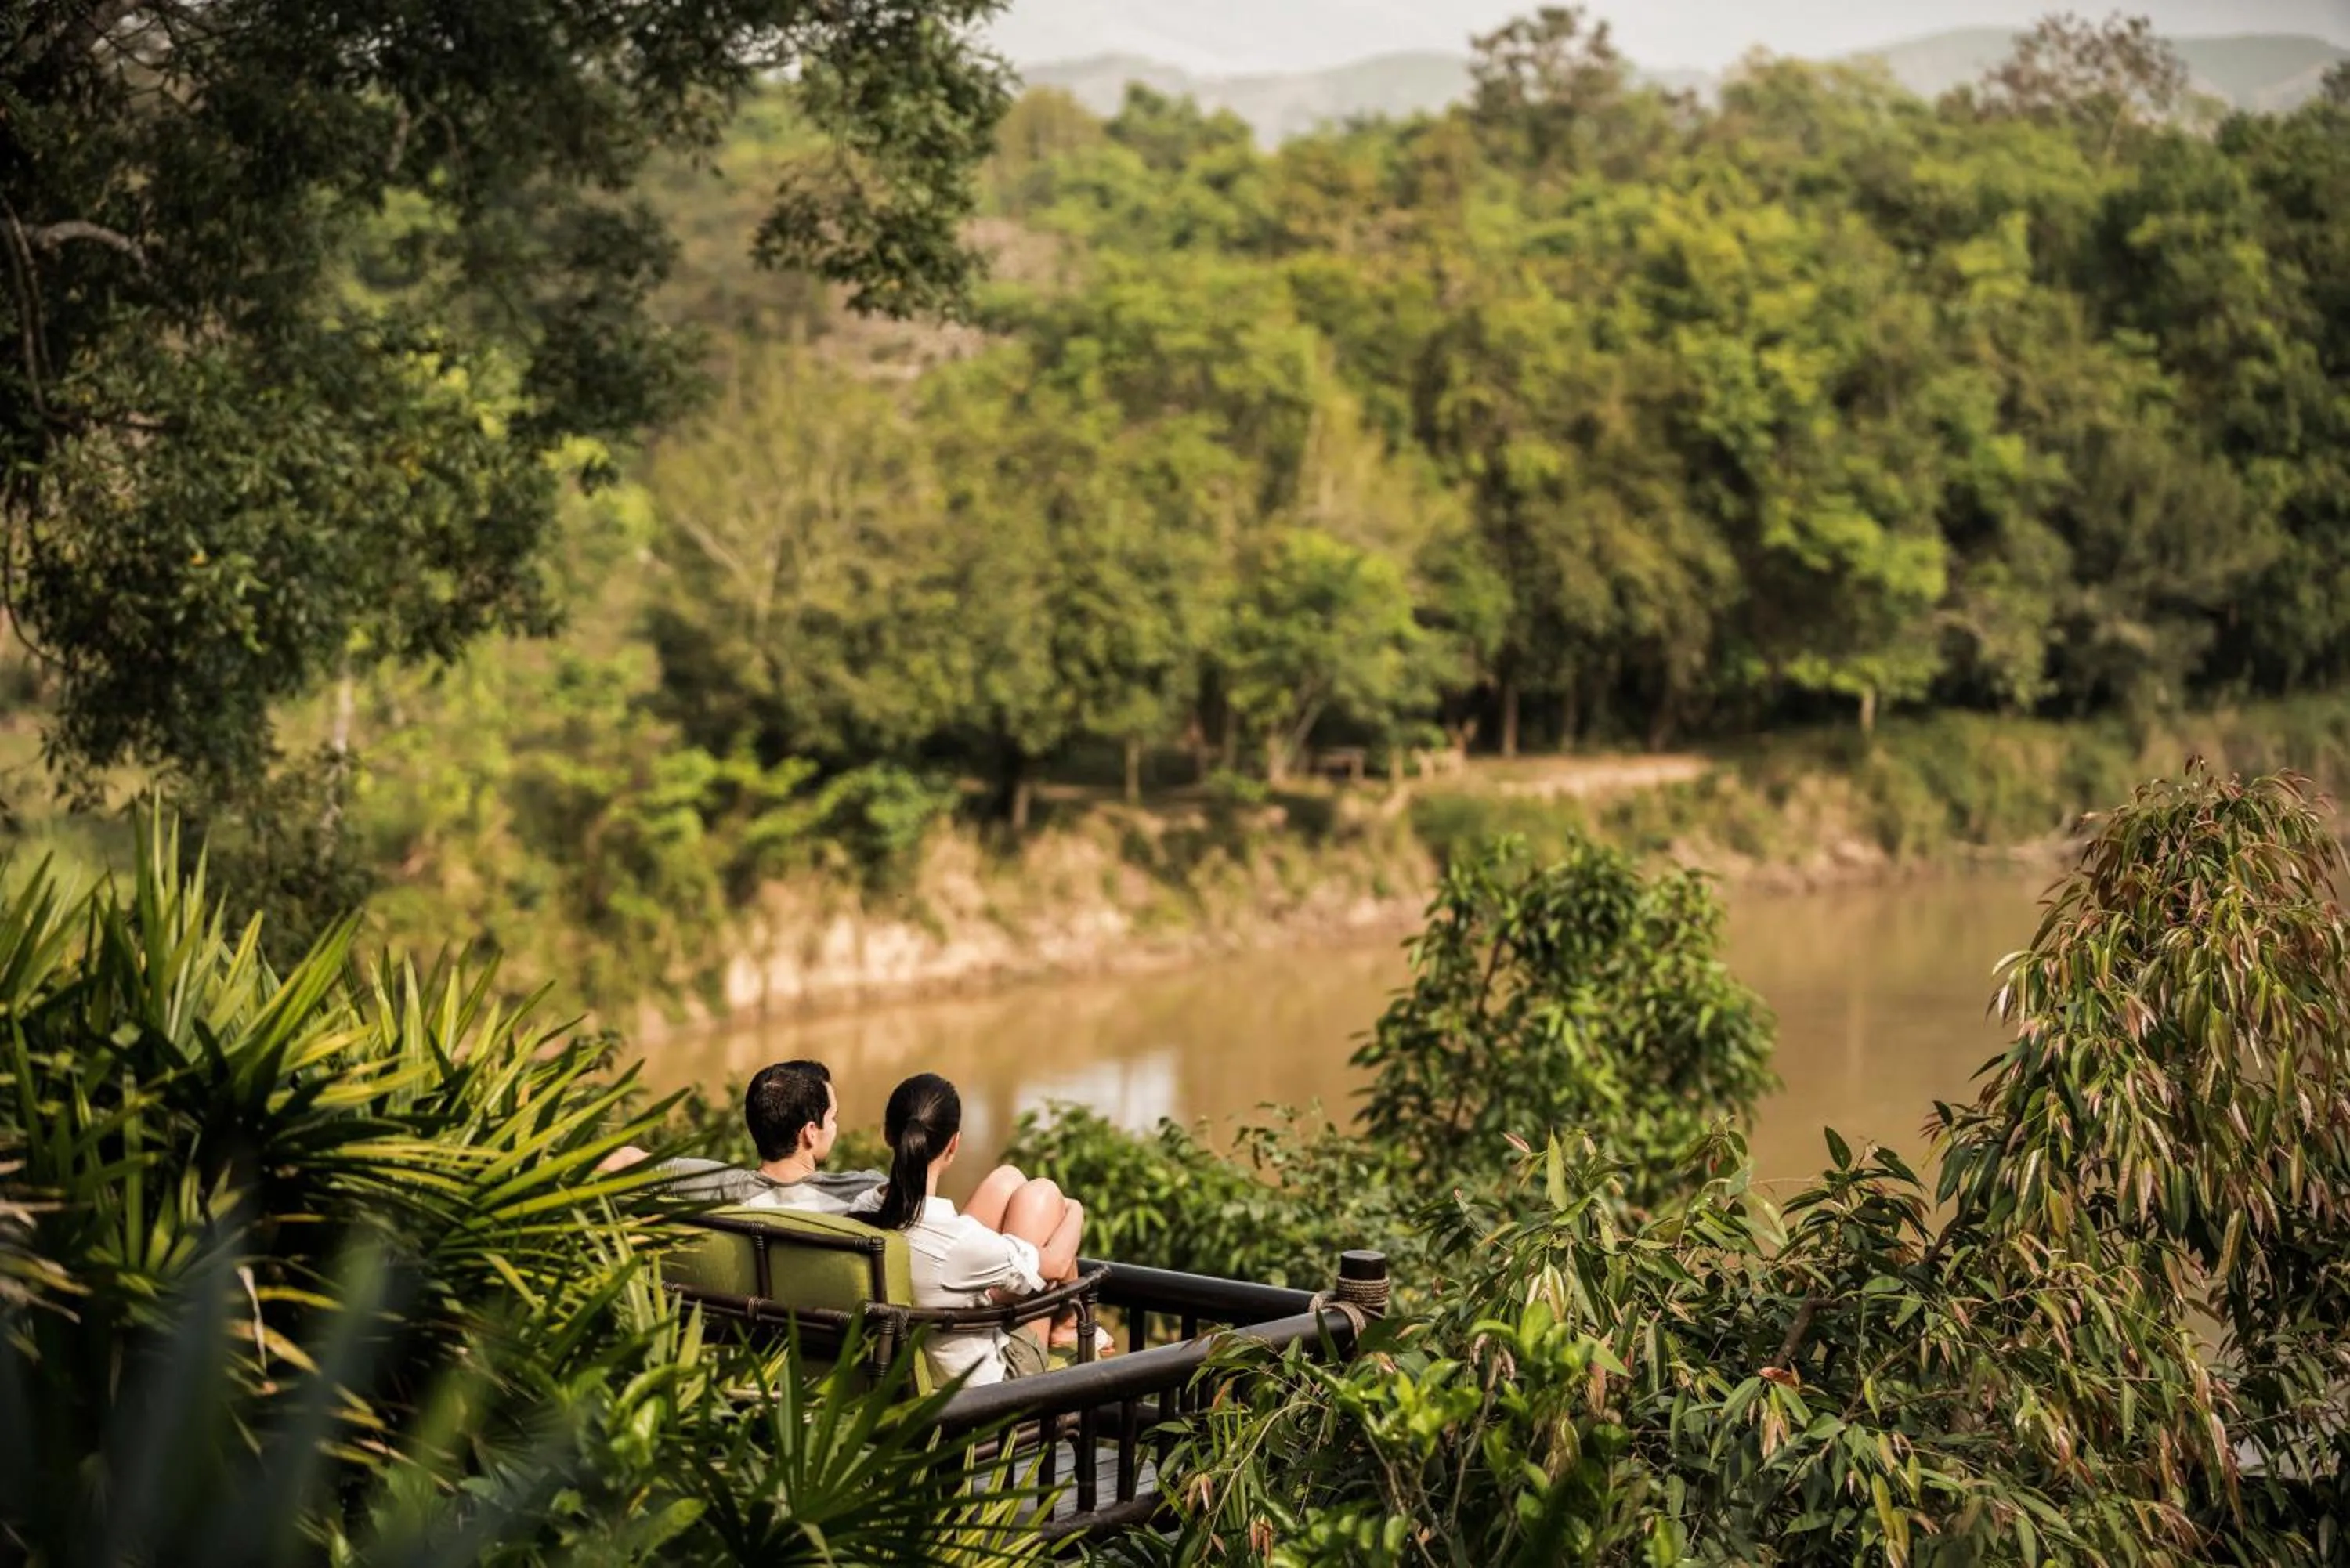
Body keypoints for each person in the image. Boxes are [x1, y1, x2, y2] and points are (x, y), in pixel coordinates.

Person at [851, 1071, 1106, 1387]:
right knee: (1044, 1194)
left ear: (888, 1135)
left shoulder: (861, 1208)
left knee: (1008, 1179)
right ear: (954, 1144)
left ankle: (1064, 1323)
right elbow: (1054, 1263)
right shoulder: (955, 1242)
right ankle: (1068, 1324)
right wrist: (1075, 1209)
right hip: (989, 1386)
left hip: (906, 1350)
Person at [597, 1059, 884, 1214]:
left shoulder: (717, 1187)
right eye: (832, 1118)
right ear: (810, 1132)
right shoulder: (863, 1192)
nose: (834, 1126)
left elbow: (625, 1160)